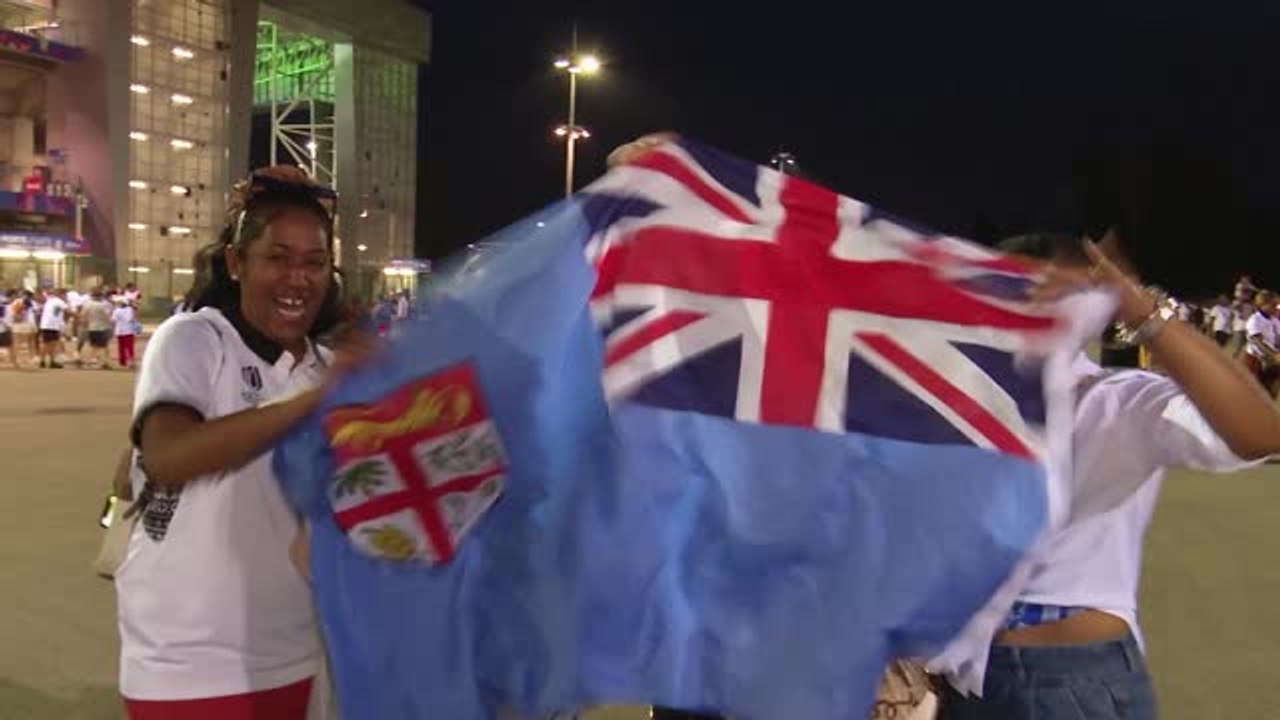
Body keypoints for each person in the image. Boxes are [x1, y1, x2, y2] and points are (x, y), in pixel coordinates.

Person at [936, 235, 1280, 720]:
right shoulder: (944, 399)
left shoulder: (1117, 398)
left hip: (1073, 676)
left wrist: (1144, 313)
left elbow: (1261, 432)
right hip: (959, 670)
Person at [116, 166, 367, 720]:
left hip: (293, 655)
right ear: (235, 263)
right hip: (185, 666)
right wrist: (316, 397)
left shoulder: (327, 368)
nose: (297, 278)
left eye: (314, 263)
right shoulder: (197, 339)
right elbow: (168, 456)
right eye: (276, 257)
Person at [1241, 290, 1280, 397]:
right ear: (1262, 305)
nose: (1277, 307)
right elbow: (1258, 342)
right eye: (1274, 304)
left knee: (1271, 392)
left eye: (1278, 304)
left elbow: (1278, 339)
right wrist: (1274, 355)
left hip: (1271, 361)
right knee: (1253, 394)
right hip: (1255, 361)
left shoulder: (1275, 321)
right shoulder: (1255, 320)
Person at [82, 289, 115, 369]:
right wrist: (112, 324)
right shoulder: (103, 305)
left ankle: (92, 361)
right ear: (101, 296)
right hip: (102, 328)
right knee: (103, 346)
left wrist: (85, 325)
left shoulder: (87, 304)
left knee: (94, 345)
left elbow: (84, 316)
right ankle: (103, 362)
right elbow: (107, 317)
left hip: (91, 328)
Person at [37, 287, 68, 368]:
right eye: (65, 295)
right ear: (61, 294)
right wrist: (79, 316)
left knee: (47, 343)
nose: (65, 297)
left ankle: (45, 361)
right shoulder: (60, 301)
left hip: (46, 324)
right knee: (51, 344)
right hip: (52, 325)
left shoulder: (50, 301)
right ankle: (48, 361)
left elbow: (56, 312)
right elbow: (68, 311)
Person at [111, 299, 138, 370]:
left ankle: (123, 361)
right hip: (129, 330)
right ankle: (131, 361)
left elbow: (113, 320)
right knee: (129, 347)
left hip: (119, 331)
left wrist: (113, 329)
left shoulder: (117, 310)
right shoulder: (130, 309)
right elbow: (133, 319)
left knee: (121, 347)